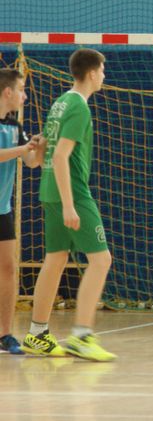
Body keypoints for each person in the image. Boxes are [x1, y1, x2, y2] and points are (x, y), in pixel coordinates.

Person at [22, 48, 117, 361]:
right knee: (101, 260)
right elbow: (61, 155)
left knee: (55, 259)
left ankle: (37, 334)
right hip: (71, 191)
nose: (104, 76)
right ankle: (81, 336)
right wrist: (69, 205)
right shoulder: (78, 107)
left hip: (49, 188)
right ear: (91, 73)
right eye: (102, 70)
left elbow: (43, 152)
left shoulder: (61, 102)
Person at [0, 69, 45, 355]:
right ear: (7, 92)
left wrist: (41, 146)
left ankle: (5, 334)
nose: (25, 96)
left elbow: (31, 162)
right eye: (21, 89)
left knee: (8, 269)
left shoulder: (15, 126)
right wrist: (22, 148)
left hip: (2, 209)